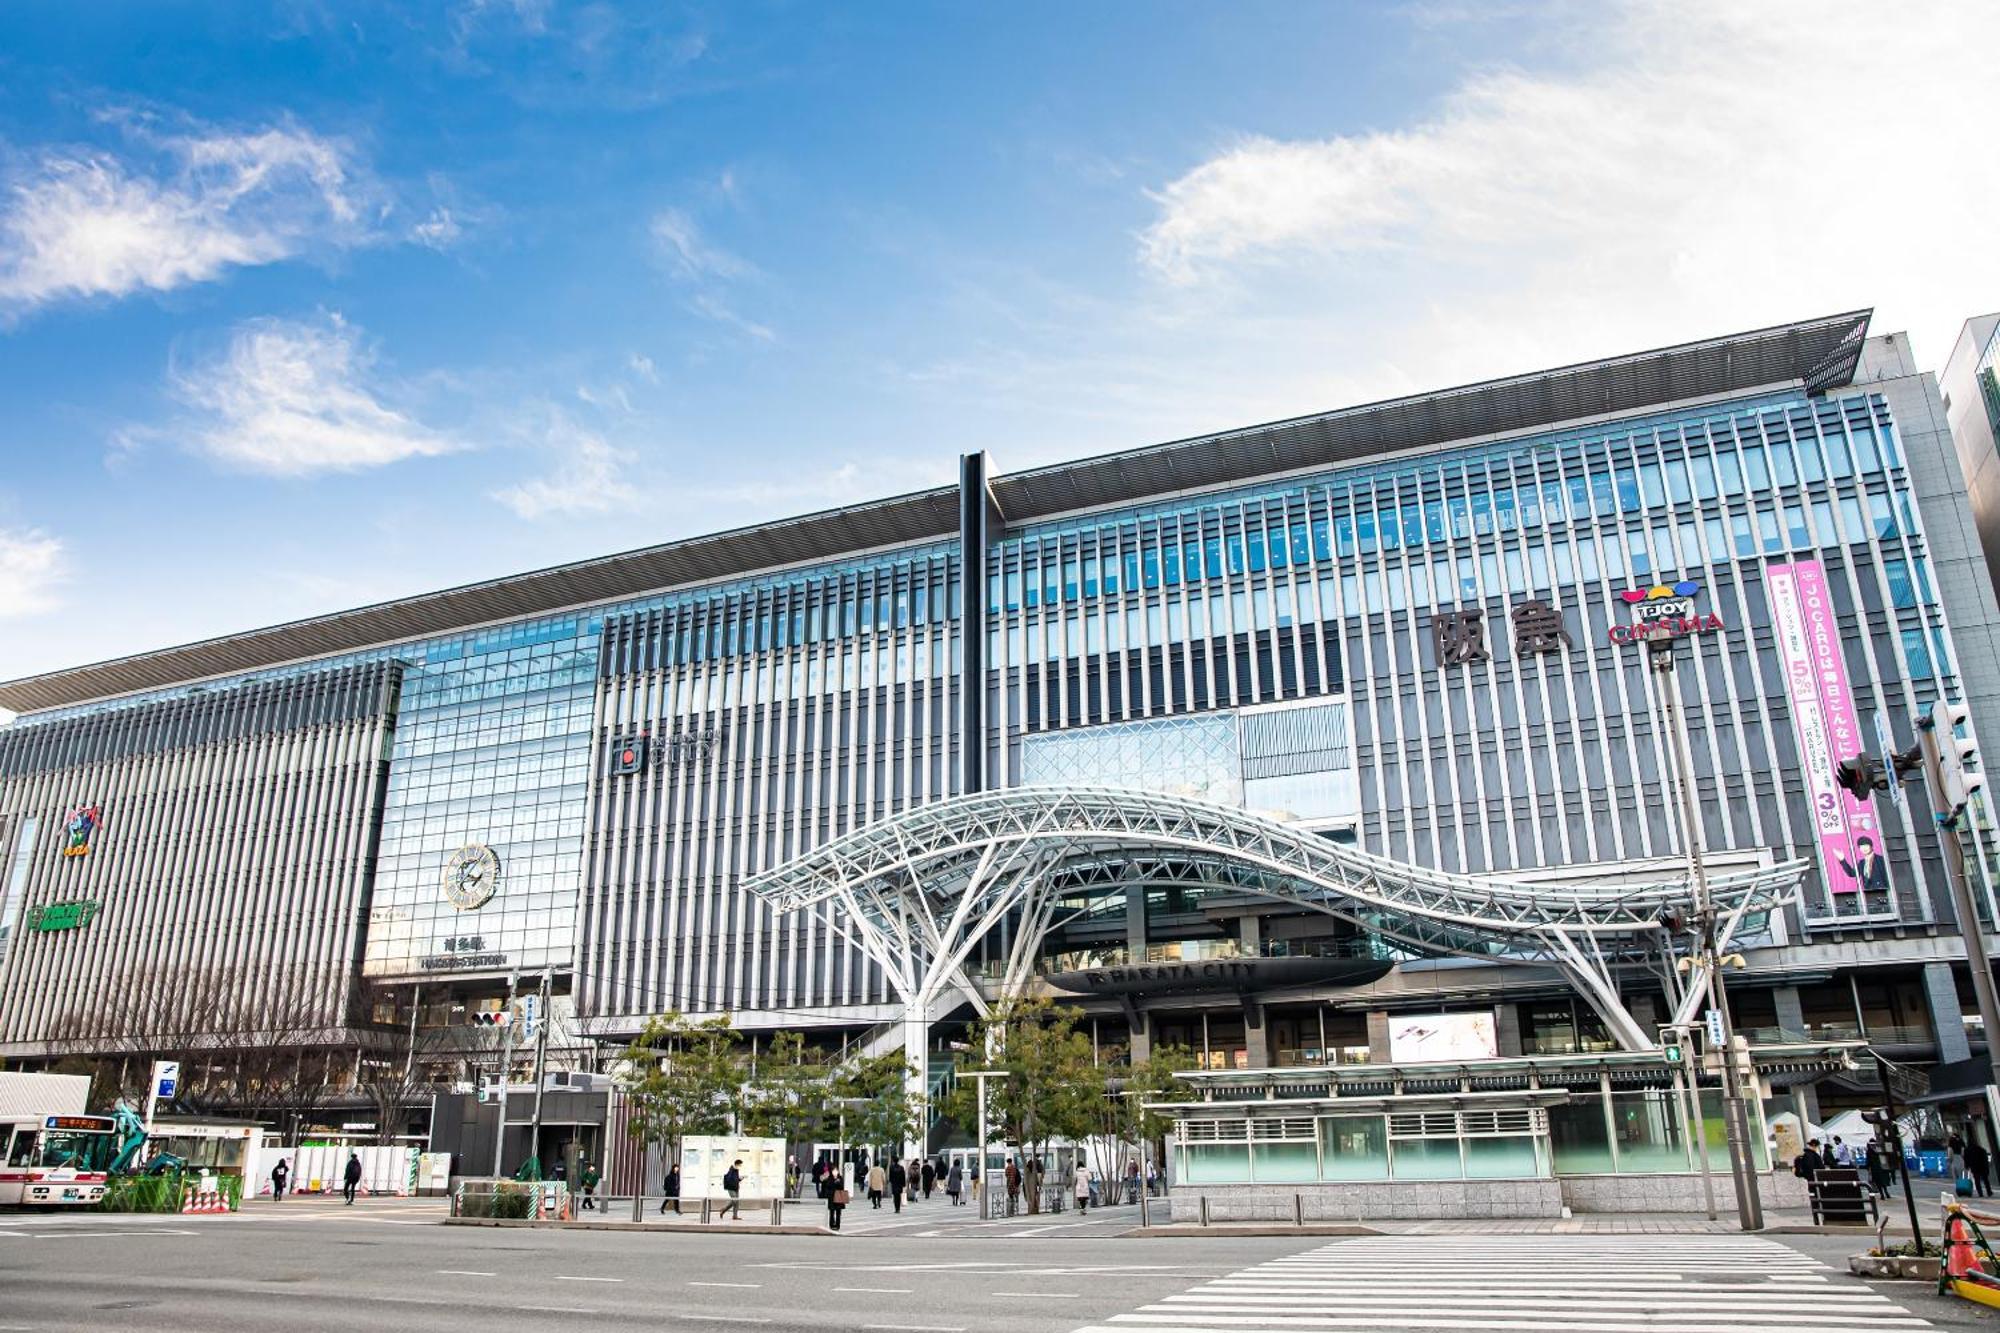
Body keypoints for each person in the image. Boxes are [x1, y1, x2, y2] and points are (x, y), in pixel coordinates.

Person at [819, 1161, 849, 1230]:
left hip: (839, 1197)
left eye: (836, 1171)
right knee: (832, 1212)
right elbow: (825, 1184)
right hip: (831, 1197)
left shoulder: (840, 1178)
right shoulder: (829, 1178)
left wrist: (838, 1182)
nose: (835, 1172)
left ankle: (837, 1225)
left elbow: (842, 1187)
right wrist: (832, 1182)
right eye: (834, 1171)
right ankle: (832, 1224)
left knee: (838, 1212)